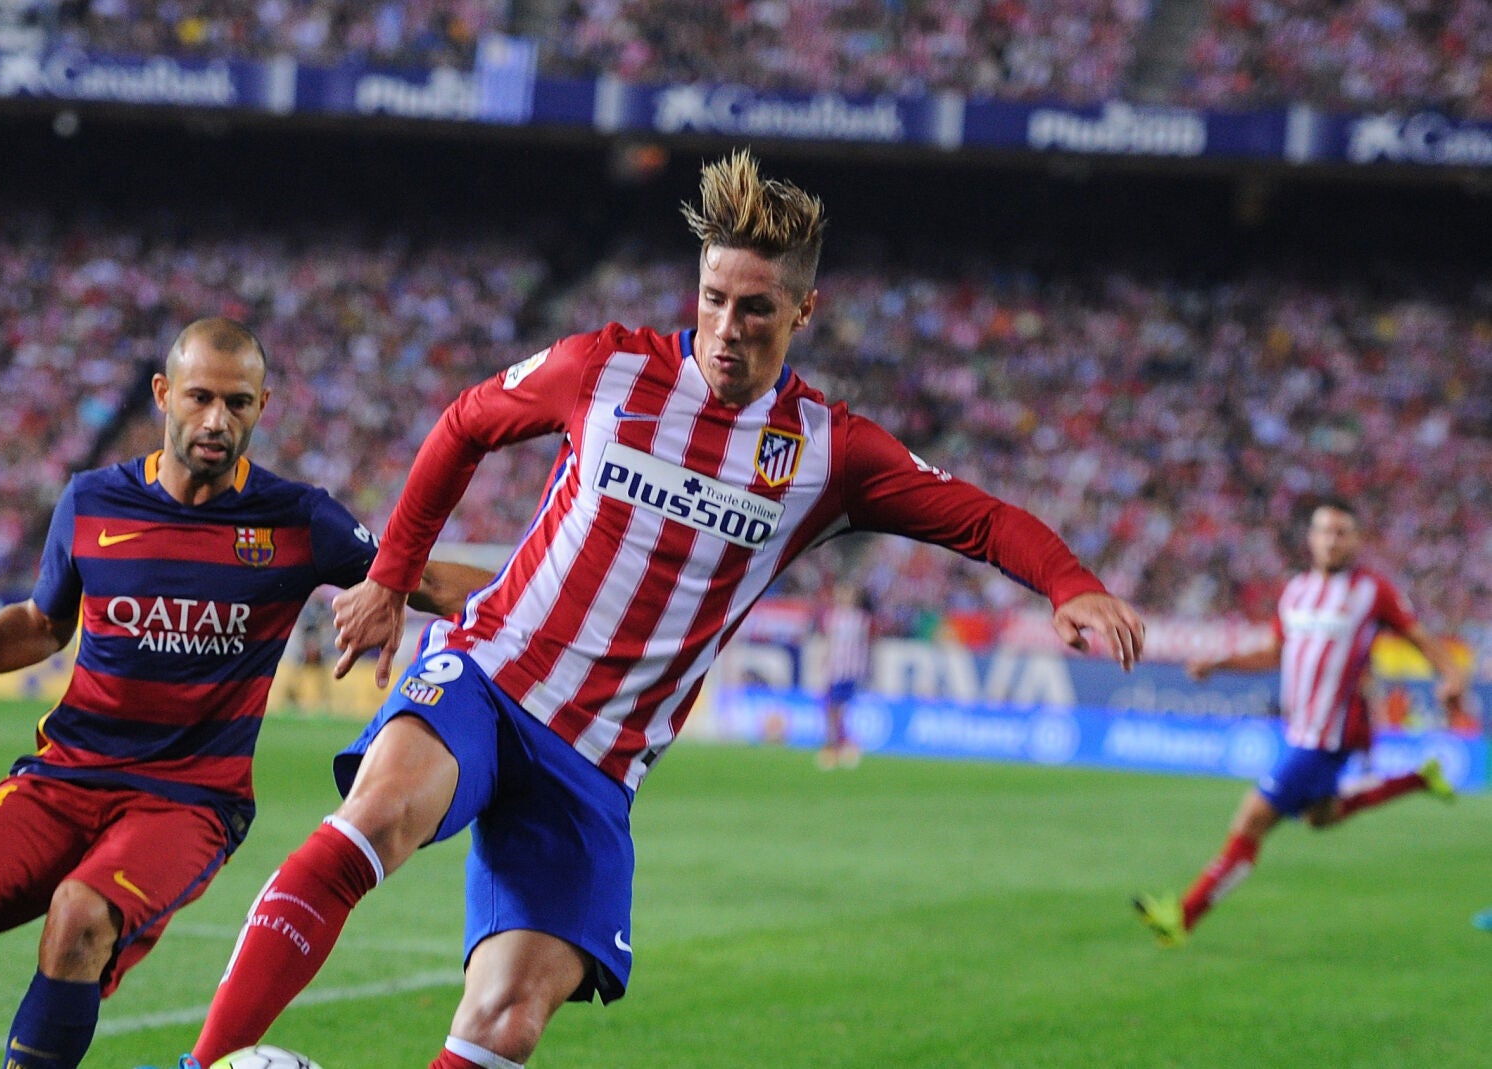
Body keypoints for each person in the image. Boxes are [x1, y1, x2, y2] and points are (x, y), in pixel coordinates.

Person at [172, 151, 1145, 1069]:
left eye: (755, 309)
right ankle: (200, 1062)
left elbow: (976, 516)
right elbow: (466, 421)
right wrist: (392, 574)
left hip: (599, 758)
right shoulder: (609, 368)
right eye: (713, 299)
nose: (727, 326)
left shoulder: (826, 454)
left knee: (507, 1022)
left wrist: (1070, 583)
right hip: (493, 674)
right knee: (374, 819)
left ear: (803, 309)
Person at [0, 317, 486, 1069]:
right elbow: (42, 623)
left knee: (79, 918)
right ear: (163, 394)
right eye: (200, 398)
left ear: (264, 406)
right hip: (66, 772)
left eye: (239, 403)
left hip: (189, 797)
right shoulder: (93, 501)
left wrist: (553, 596)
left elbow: (415, 577)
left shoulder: (297, 519)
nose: (217, 421)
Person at [1133, 498, 1467, 948]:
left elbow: (1419, 636)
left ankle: (1184, 916)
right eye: (1324, 531)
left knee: (1252, 818)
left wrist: (1451, 676)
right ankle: (1415, 780)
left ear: (1356, 540)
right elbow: (1275, 651)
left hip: (1327, 736)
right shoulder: (1295, 592)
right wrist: (1221, 662)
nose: (1332, 540)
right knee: (1320, 817)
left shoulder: (1374, 592)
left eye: (1342, 531)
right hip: (1299, 729)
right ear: (1310, 539)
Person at [817, 581, 873, 770]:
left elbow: (864, 645)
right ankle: (836, 744)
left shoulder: (860, 619)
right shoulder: (833, 616)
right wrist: (825, 660)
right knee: (831, 707)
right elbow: (829, 640)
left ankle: (840, 745)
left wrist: (864, 668)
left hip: (850, 670)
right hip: (835, 668)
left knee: (839, 709)